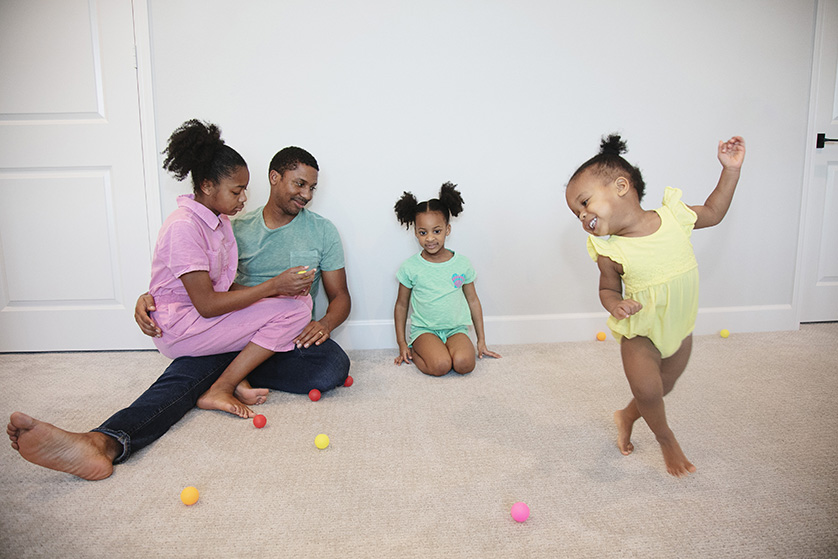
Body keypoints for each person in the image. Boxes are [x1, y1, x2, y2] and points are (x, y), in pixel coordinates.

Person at [7, 144, 350, 480]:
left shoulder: (320, 230)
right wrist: (152, 296)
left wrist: (325, 324)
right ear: (275, 178)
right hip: (229, 323)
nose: (306, 194)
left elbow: (340, 297)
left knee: (330, 367)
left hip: (275, 333)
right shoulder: (232, 224)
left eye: (312, 188)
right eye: (299, 184)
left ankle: (230, 373)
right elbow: (203, 288)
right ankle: (106, 441)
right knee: (186, 378)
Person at [565, 133, 745, 477]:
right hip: (640, 332)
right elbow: (607, 288)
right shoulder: (611, 250)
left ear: (621, 186)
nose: (582, 216)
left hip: (679, 326)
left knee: (663, 388)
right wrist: (615, 305)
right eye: (577, 213)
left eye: (585, 202)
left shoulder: (674, 217)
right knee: (648, 390)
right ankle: (666, 439)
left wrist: (730, 171)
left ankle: (626, 415)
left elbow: (715, 211)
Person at [149, 119, 312, 419]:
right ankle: (222, 385)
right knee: (296, 311)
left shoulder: (220, 222)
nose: (244, 198)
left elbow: (222, 286)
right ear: (207, 186)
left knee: (300, 302)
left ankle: (234, 378)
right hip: (183, 326)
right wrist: (272, 288)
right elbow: (208, 304)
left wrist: (277, 295)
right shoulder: (183, 226)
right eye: (237, 191)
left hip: (201, 317)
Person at [393, 182, 500, 376]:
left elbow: (473, 301)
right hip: (425, 330)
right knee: (440, 366)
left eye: (437, 231)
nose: (430, 239)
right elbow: (401, 305)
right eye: (423, 232)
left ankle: (448, 349)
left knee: (464, 364)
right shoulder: (410, 267)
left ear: (447, 230)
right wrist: (402, 343)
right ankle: (418, 350)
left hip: (455, 329)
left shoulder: (462, 264)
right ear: (415, 232)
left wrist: (481, 340)